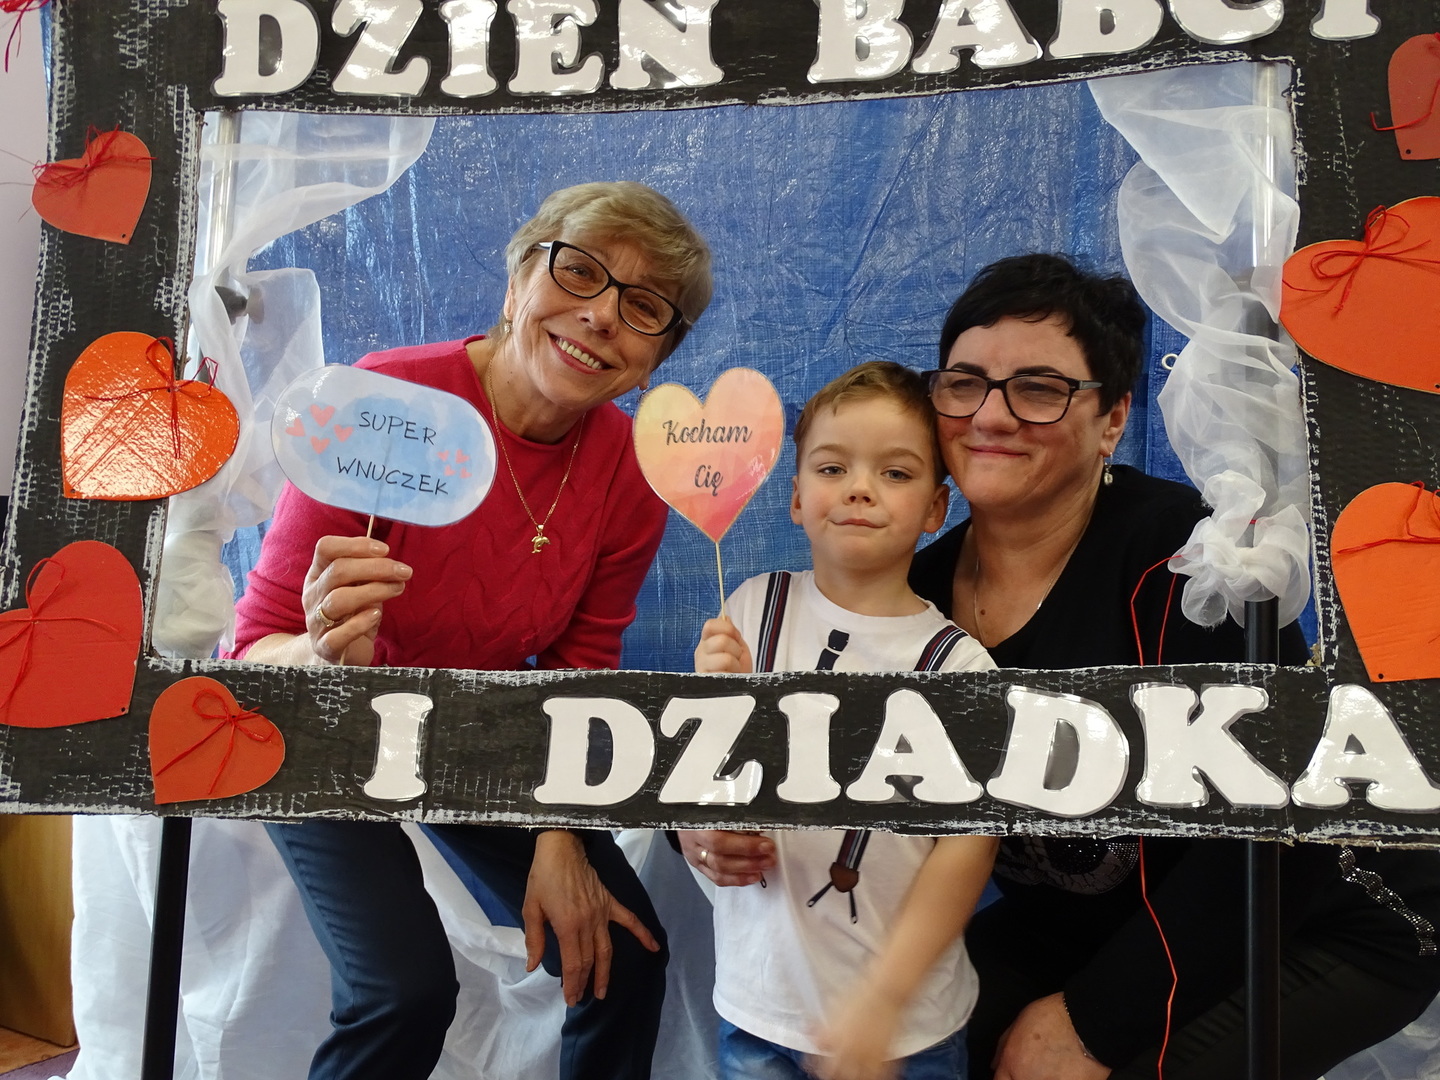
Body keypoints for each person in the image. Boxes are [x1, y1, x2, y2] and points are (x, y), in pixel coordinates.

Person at [906, 253, 1440, 1080]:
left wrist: (1093, 1024)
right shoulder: (916, 593)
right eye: (964, 383)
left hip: (1321, 910)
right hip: (1094, 917)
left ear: (1112, 420)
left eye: (1039, 389)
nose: (991, 415)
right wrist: (730, 836)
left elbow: (1275, 839)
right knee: (901, 1035)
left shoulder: (1193, 564)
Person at [230, 181, 713, 1080]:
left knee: (621, 952)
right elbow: (252, 653)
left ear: (657, 356)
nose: (602, 314)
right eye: (579, 272)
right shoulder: (385, 400)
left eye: (645, 307)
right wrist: (320, 649)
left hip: (466, 724)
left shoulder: (628, 473)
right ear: (519, 278)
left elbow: (577, 668)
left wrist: (558, 839)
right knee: (402, 991)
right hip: (319, 723)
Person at [688, 361, 1000, 1080]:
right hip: (760, 1009)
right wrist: (698, 831)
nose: (860, 488)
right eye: (833, 468)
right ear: (797, 498)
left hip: (905, 1034)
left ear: (936, 508)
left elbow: (967, 851)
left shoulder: (959, 666)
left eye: (895, 473)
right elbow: (694, 783)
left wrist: (884, 1001)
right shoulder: (749, 611)